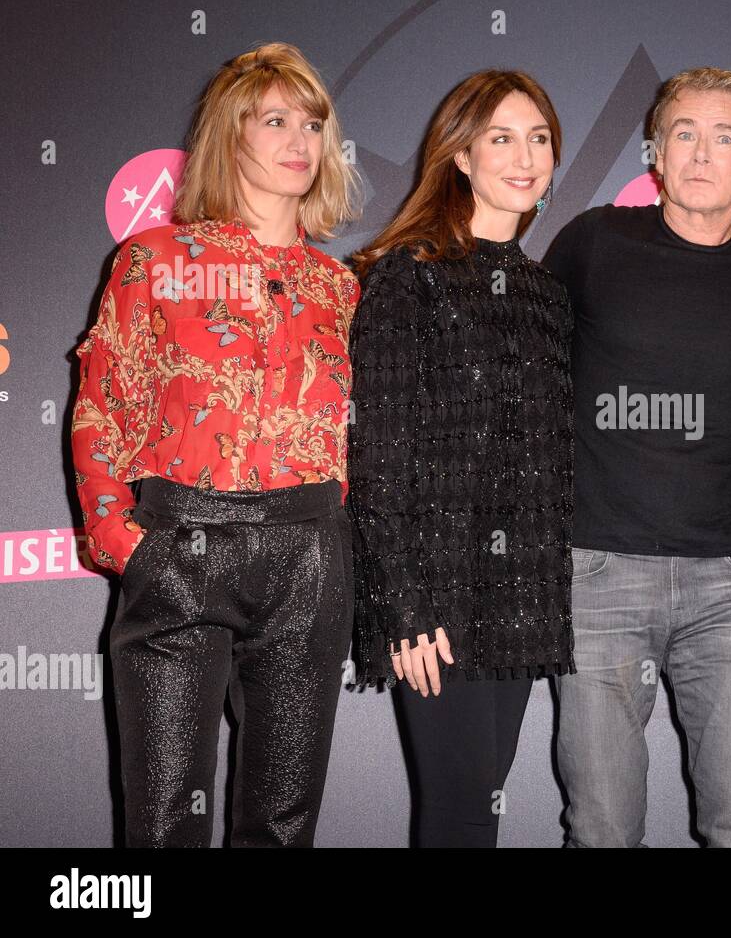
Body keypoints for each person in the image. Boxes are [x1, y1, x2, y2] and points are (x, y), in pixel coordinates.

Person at [71, 42, 360, 846]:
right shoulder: (152, 261)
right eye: (275, 120)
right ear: (230, 137)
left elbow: (350, 434)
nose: (300, 139)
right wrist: (122, 542)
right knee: (161, 824)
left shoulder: (340, 287)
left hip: (309, 553)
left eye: (312, 123)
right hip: (181, 546)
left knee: (282, 826)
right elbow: (104, 404)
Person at [542, 67, 731, 847]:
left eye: (726, 137)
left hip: (728, 583)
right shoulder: (592, 242)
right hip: (597, 575)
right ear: (655, 149)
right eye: (684, 132)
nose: (702, 153)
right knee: (604, 827)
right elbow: (534, 381)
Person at [347, 70, 573, 848]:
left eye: (539, 138)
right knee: (461, 814)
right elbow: (377, 457)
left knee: (481, 805)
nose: (525, 155)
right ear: (462, 156)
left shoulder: (548, 293)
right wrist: (405, 609)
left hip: (521, 596)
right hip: (435, 596)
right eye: (502, 137)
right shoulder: (408, 276)